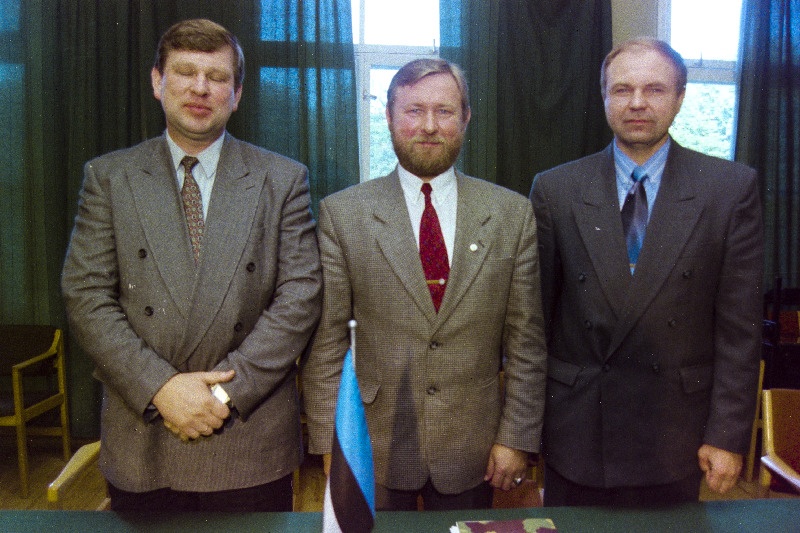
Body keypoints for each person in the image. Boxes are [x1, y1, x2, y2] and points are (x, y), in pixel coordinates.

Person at [61, 19, 321, 512]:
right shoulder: (110, 177)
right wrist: (160, 388)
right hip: (145, 434)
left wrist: (220, 397)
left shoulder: (283, 178)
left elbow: (300, 297)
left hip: (247, 434)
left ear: (236, 94)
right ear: (157, 82)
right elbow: (86, 296)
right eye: (185, 72)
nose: (201, 88)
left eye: (217, 77)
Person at [302, 58, 548, 511]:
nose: (429, 126)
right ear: (389, 117)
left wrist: (516, 437)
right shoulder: (344, 214)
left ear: (466, 117)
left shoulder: (511, 214)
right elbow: (327, 344)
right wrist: (329, 443)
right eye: (414, 111)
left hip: (474, 448)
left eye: (444, 111)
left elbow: (526, 343)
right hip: (371, 444)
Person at [529, 38, 763, 506]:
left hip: (674, 434)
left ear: (679, 98)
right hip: (578, 431)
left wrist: (727, 434)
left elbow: (739, 331)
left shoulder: (728, 189)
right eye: (622, 89)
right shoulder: (556, 189)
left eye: (654, 89)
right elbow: (534, 324)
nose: (637, 102)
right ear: (604, 98)